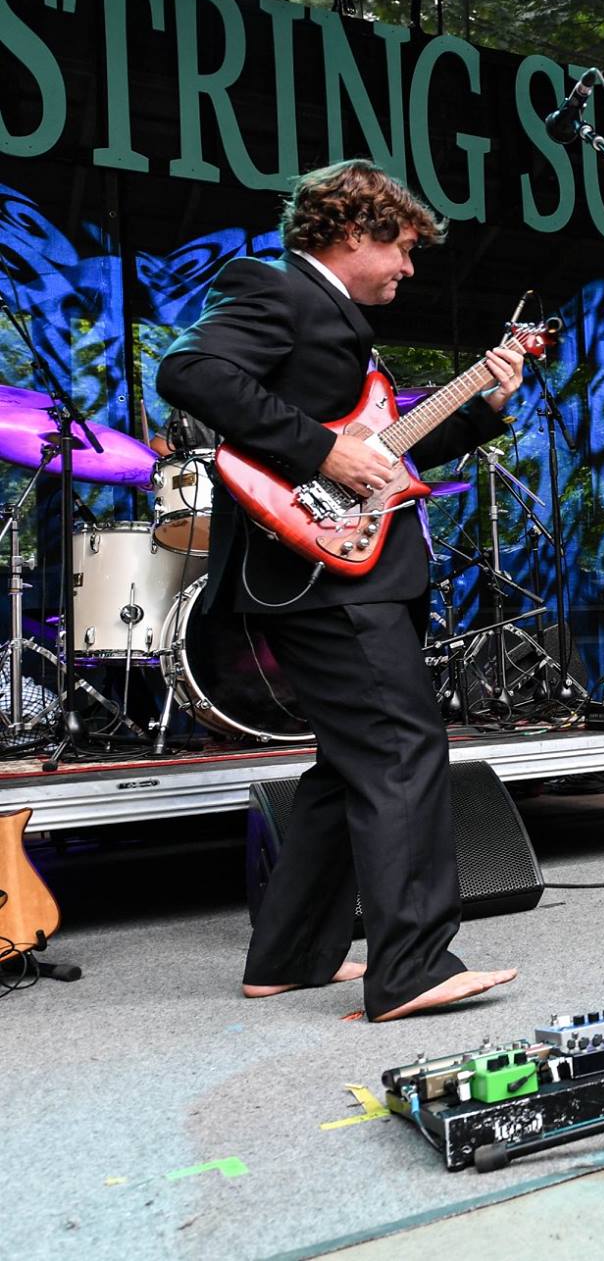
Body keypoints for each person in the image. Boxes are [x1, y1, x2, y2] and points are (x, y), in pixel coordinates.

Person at [157, 160, 521, 1021]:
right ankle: (412, 967)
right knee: (402, 751)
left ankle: (287, 956)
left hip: (336, 570)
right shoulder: (275, 285)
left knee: (348, 766)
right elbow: (189, 372)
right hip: (323, 579)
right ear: (353, 231)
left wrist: (485, 409)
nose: (408, 266)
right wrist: (321, 452)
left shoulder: (340, 325)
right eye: (400, 246)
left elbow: (382, 461)